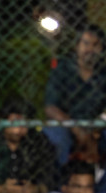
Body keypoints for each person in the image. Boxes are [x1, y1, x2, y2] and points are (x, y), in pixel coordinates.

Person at [43, 24, 106, 166]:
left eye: (96, 45)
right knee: (57, 136)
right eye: (86, 43)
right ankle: (57, 183)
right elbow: (50, 108)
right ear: (77, 46)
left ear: (102, 49)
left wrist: (94, 131)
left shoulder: (103, 75)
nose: (90, 49)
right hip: (66, 125)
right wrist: (77, 130)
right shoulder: (62, 69)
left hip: (96, 128)